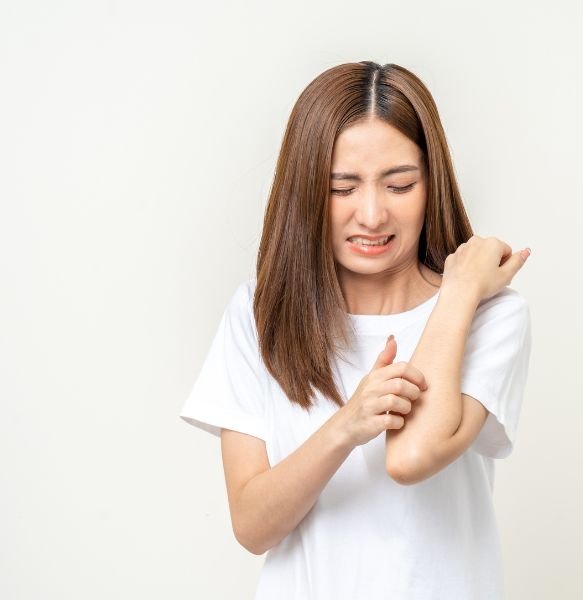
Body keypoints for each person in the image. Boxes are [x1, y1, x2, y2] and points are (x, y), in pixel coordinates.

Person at [180, 60, 533, 600]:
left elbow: (411, 457)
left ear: (430, 184)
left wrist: (459, 290)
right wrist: (347, 426)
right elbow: (252, 526)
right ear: (305, 192)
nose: (371, 214)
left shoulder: (489, 316)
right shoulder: (259, 315)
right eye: (342, 188)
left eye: (399, 184)